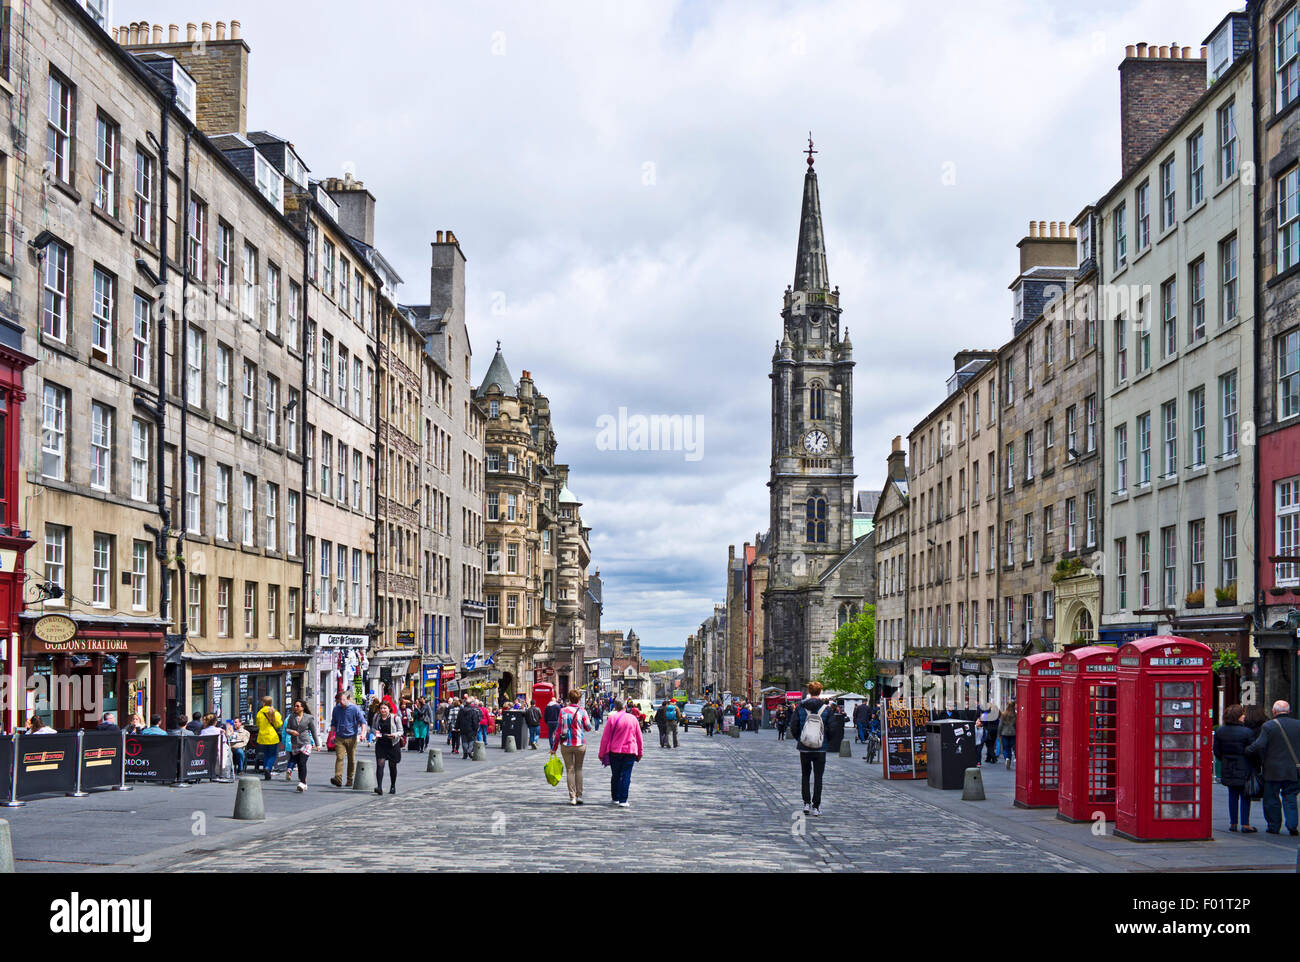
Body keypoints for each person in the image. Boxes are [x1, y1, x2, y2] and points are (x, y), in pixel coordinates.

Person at [1245, 700, 1300, 836]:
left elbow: (1259, 745)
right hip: (1294, 769)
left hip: (1272, 769)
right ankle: (1292, 825)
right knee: (1290, 797)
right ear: (1289, 711)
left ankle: (1274, 826)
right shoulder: (1298, 725)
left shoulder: (1268, 726)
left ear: (1274, 712)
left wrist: (1247, 750)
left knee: (1271, 798)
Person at [1213, 704, 1257, 833]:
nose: (1244, 716)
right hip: (1244, 766)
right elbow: (1253, 750)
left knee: (1232, 795)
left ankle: (1233, 823)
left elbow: (1217, 751)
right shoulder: (1247, 732)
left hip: (1228, 766)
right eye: (1242, 714)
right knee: (1245, 795)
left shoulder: (1220, 731)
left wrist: (1225, 759)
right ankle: (1245, 824)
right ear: (1238, 717)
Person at [788, 681, 830, 816]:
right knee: (819, 777)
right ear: (820, 691)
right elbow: (832, 727)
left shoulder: (801, 707)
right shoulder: (826, 708)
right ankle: (816, 806)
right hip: (820, 747)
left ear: (809, 691)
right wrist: (825, 740)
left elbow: (793, 725)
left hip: (805, 747)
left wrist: (799, 739)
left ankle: (806, 803)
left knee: (805, 775)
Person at [598, 699, 644, 808]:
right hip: (630, 751)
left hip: (615, 751)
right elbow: (639, 737)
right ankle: (623, 800)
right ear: (625, 706)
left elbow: (605, 738)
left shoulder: (612, 718)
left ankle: (615, 798)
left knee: (616, 775)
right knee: (626, 775)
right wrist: (640, 752)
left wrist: (601, 753)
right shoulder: (633, 719)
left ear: (615, 707)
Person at [555, 689, 593, 805]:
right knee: (579, 769)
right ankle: (579, 795)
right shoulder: (582, 711)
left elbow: (558, 730)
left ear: (569, 698)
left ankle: (572, 797)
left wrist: (554, 747)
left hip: (566, 744)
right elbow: (588, 727)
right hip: (580, 743)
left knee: (570, 770)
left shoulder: (563, 711)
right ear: (579, 699)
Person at [328, 692, 367, 788]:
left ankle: (350, 779)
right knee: (339, 757)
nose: (341, 702)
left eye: (343, 700)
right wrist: (332, 735)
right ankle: (338, 778)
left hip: (351, 737)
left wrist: (362, 734)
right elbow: (333, 723)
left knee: (351, 759)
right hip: (339, 737)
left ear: (348, 699)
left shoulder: (354, 709)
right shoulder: (336, 709)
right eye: (340, 700)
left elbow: (363, 722)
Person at [283, 700, 319, 792]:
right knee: (299, 763)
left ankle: (302, 783)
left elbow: (313, 731)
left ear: (302, 708)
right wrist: (292, 731)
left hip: (305, 743)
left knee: (302, 762)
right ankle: (304, 782)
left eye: (297, 706)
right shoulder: (291, 717)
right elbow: (287, 729)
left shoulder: (309, 718)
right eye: (295, 706)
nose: (295, 708)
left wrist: (317, 744)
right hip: (295, 743)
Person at [371, 701, 403, 794]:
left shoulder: (395, 718)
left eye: (385, 708)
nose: (383, 710)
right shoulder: (376, 717)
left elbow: (401, 731)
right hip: (381, 743)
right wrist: (375, 732)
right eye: (381, 708)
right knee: (380, 764)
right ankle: (379, 787)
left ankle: (393, 786)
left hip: (392, 744)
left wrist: (394, 735)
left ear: (389, 709)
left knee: (392, 766)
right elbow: (372, 728)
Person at [254, 697, 283, 780]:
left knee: (266, 754)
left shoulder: (260, 713)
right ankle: (268, 768)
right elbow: (278, 724)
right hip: (272, 736)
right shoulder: (275, 712)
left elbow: (258, 725)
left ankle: (266, 770)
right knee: (273, 755)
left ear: (263, 703)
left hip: (262, 737)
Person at [457, 696, 481, 760]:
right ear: (471, 704)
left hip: (463, 728)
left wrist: (457, 726)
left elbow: (458, 719)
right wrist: (476, 728)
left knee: (464, 740)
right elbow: (475, 721)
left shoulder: (461, 711)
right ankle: (469, 751)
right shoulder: (473, 711)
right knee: (471, 740)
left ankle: (465, 753)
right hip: (471, 728)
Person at [999, 700, 1017, 769]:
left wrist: (999, 733)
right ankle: (1009, 757)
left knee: (1005, 747)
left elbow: (1001, 725)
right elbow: (1017, 725)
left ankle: (1007, 758)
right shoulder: (1015, 715)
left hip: (1004, 733)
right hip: (1013, 733)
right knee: (1010, 747)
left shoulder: (1004, 714)